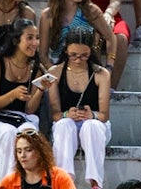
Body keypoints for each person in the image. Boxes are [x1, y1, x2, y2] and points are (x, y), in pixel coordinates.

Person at [47, 27, 111, 189]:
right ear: (66, 50)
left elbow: (104, 115)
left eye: (84, 55)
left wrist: (93, 115)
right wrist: (67, 114)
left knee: (91, 126)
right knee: (63, 125)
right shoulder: (55, 72)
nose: (78, 60)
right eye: (73, 55)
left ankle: (96, 183)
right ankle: (63, 181)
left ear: (91, 52)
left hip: (95, 125)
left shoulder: (101, 74)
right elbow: (55, 114)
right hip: (67, 123)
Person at [0, 19, 45, 177]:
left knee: (29, 136)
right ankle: (9, 184)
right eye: (29, 38)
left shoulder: (36, 68)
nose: (35, 42)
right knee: (8, 133)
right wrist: (13, 94)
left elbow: (29, 109)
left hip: (22, 119)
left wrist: (41, 89)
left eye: (37, 38)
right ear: (16, 40)